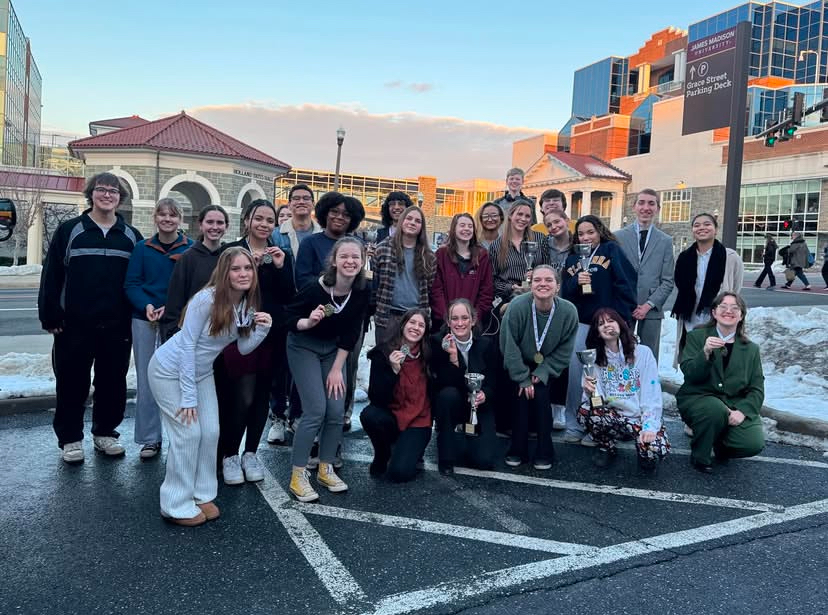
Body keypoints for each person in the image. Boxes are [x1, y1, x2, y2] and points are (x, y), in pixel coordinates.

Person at [148, 247, 272, 525]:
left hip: (200, 372)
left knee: (212, 432)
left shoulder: (245, 305)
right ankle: (175, 504)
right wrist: (189, 397)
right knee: (188, 434)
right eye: (236, 269)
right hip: (170, 371)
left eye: (248, 268)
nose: (243, 274)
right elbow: (188, 344)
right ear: (224, 272)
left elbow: (241, 347)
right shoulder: (206, 299)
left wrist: (263, 329)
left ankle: (201, 493)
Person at [39, 172, 143, 464]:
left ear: (120, 198)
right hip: (74, 325)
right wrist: (50, 314)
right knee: (72, 382)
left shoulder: (131, 236)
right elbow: (52, 276)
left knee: (112, 381)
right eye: (102, 189)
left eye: (113, 191)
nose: (107, 195)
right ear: (91, 193)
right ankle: (70, 439)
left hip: (117, 325)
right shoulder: (70, 230)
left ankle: (105, 433)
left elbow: (140, 278)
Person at [283, 237, 370, 502]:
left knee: (335, 410)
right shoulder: (314, 289)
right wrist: (307, 322)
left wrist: (337, 369)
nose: (350, 261)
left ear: (363, 261)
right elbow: (287, 318)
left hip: (333, 351)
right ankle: (298, 475)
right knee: (315, 410)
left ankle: (325, 467)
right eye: (344, 256)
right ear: (334, 260)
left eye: (355, 257)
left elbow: (353, 330)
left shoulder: (363, 289)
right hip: (303, 346)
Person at [216, 200, 294, 485]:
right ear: (247, 220)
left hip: (271, 333)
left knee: (262, 396)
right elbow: (222, 288)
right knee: (241, 396)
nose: (264, 224)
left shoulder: (280, 253)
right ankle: (229, 454)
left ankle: (250, 452)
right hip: (239, 334)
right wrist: (255, 268)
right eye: (258, 218)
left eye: (269, 220)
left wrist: (281, 266)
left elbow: (289, 295)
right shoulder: (233, 250)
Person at [124, 197, 192, 459]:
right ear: (155, 218)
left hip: (178, 322)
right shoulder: (142, 248)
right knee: (147, 378)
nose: (167, 219)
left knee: (180, 380)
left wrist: (175, 310)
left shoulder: (190, 248)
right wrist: (147, 306)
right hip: (146, 319)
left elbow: (193, 287)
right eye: (162, 215)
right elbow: (132, 283)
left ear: (180, 220)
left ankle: (180, 436)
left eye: (172, 215)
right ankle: (150, 438)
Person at [561, 215, 637, 445]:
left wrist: (620, 323)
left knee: (604, 377)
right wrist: (577, 281)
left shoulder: (611, 249)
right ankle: (574, 424)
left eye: (590, 232)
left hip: (605, 325)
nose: (585, 237)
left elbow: (626, 285)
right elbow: (565, 291)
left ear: (599, 232)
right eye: (581, 233)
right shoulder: (573, 257)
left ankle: (600, 427)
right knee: (577, 378)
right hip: (581, 324)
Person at [676, 292, 764, 473]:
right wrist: (705, 353)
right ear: (714, 313)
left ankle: (718, 442)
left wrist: (742, 411)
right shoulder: (696, 337)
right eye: (723, 307)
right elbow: (691, 374)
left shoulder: (751, 349)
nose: (728, 311)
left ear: (741, 315)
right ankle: (700, 457)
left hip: (733, 403)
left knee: (753, 443)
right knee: (714, 410)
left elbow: (756, 389)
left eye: (734, 308)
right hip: (699, 398)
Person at [500, 265, 578, 469]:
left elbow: (565, 349)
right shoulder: (517, 306)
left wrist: (543, 372)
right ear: (531, 284)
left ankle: (545, 450)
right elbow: (508, 344)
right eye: (537, 280)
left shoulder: (569, 311)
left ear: (557, 286)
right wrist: (523, 377)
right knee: (521, 394)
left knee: (542, 394)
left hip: (548, 364)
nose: (543, 284)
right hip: (519, 362)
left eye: (548, 280)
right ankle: (517, 449)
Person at [577, 308, 669, 471]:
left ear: (621, 325)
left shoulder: (643, 353)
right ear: (598, 332)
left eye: (611, 321)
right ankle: (607, 445)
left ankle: (643, 448)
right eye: (601, 324)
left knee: (654, 452)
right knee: (585, 411)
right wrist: (590, 392)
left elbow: (651, 393)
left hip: (639, 418)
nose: (607, 325)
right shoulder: (594, 359)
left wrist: (649, 426)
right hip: (614, 418)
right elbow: (597, 404)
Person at [361, 309, 433, 482]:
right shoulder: (384, 352)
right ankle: (383, 453)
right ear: (403, 325)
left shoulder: (430, 353)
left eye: (421, 325)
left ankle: (408, 449)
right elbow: (376, 398)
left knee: (399, 473)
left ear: (425, 331)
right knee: (369, 415)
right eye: (412, 322)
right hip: (392, 416)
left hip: (418, 421)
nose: (416, 328)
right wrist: (393, 371)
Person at [431, 299, 498, 474]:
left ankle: (469, 438)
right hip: (455, 401)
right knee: (447, 395)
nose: (459, 323)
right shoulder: (438, 343)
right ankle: (446, 456)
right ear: (448, 322)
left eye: (464, 318)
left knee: (484, 461)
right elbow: (441, 384)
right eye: (454, 318)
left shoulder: (486, 344)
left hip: (479, 405)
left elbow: (494, 381)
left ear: (473, 320)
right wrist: (453, 358)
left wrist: (485, 394)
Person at [672, 213, 744, 361]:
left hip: (717, 318)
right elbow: (679, 283)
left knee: (716, 359)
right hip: (689, 317)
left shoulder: (730, 257)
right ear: (692, 230)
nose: (702, 228)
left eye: (707, 224)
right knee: (691, 358)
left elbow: (735, 288)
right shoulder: (684, 257)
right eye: (697, 225)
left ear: (716, 229)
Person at [613, 189, 675, 362]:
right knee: (620, 351)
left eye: (651, 203)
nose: (645, 207)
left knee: (648, 356)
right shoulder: (618, 237)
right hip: (624, 306)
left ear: (657, 209)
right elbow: (613, 275)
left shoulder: (665, 241)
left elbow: (668, 281)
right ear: (634, 207)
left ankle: (648, 387)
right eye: (641, 202)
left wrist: (648, 305)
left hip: (652, 309)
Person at [160, 205, 229, 342]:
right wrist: (172, 333)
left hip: (224, 331)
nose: (215, 227)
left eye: (220, 223)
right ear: (200, 225)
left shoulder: (229, 257)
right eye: (209, 222)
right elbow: (175, 300)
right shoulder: (187, 258)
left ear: (226, 227)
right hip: (194, 333)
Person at [373, 205, 436, 345]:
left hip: (416, 319)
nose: (412, 223)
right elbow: (375, 283)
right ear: (401, 221)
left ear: (422, 227)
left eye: (417, 221)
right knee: (383, 363)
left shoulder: (429, 256)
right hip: (387, 317)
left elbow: (430, 288)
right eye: (409, 218)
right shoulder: (383, 249)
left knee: (411, 364)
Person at [430, 212, 494, 330]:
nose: (466, 229)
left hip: (473, 326)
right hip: (444, 324)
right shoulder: (441, 255)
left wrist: (473, 319)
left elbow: (486, 292)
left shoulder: (482, 256)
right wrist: (448, 318)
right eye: (462, 225)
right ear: (454, 228)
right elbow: (436, 290)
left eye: (470, 226)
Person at [295, 191, 365, 290]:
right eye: (334, 211)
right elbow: (302, 281)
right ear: (325, 214)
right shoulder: (309, 243)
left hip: (351, 301)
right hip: (319, 302)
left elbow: (361, 278)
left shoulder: (358, 244)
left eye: (346, 214)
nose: (340, 217)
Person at [271, 184, 322, 267]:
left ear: (313, 204)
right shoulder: (275, 235)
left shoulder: (322, 234)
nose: (301, 202)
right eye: (296, 198)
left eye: (306, 198)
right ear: (289, 205)